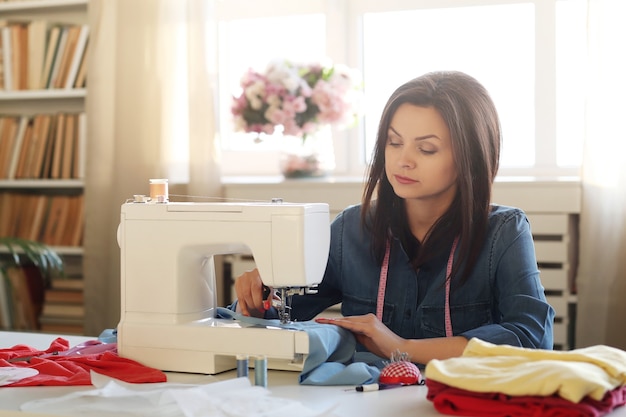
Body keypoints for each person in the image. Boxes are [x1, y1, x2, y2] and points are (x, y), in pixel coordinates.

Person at [232, 70, 555, 365]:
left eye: (426, 149)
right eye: (394, 142)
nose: (403, 161)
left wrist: (401, 347)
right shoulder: (351, 230)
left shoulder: (504, 232)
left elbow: (531, 338)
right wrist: (258, 299)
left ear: (470, 156)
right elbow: (281, 314)